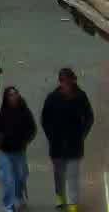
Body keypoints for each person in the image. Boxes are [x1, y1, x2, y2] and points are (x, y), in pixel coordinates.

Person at [41, 66, 95, 211]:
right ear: (60, 82)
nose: (65, 85)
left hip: (74, 143)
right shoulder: (52, 98)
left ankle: (72, 202)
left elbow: (89, 117)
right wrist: (50, 135)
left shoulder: (81, 97)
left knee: (72, 174)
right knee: (58, 173)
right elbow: (45, 118)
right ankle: (60, 195)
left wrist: (82, 133)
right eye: (63, 81)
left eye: (68, 81)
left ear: (73, 81)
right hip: (57, 143)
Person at [0, 85, 36, 212]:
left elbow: (32, 128)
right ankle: (8, 205)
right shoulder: (2, 114)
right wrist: (0, 139)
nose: (14, 97)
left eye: (15, 94)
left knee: (21, 175)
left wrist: (25, 140)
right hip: (5, 152)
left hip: (19, 150)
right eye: (11, 95)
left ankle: (18, 194)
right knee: (8, 178)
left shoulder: (24, 112)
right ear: (6, 98)